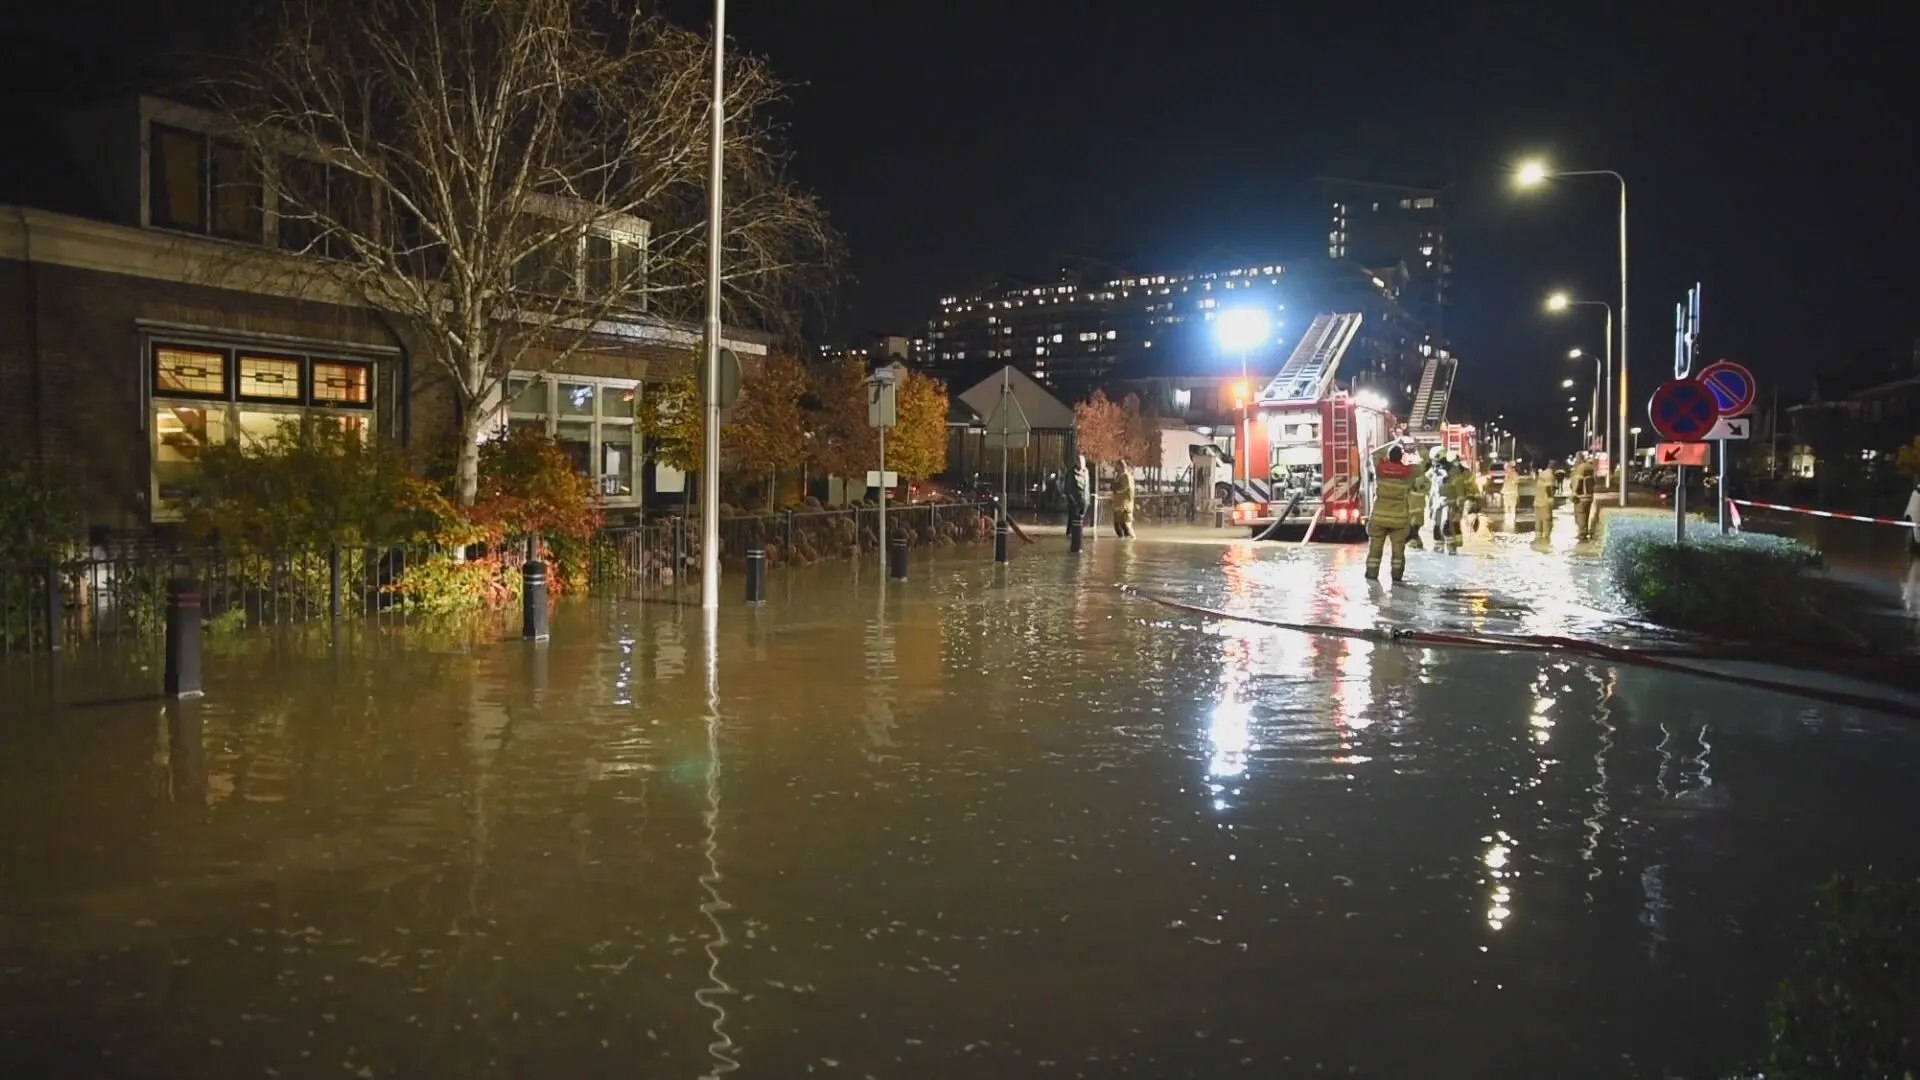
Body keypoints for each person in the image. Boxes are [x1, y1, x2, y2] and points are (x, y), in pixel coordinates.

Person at [1365, 442, 1416, 582]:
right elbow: (1424, 463)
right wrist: (1414, 448)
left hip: (1379, 518)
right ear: (1401, 457)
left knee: (1375, 549)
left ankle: (1371, 575)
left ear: (1388, 456)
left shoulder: (1381, 469)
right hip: (1399, 520)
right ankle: (1397, 577)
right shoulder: (1408, 472)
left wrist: (1393, 442)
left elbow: (1375, 454)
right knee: (1398, 551)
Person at [1406, 442, 1432, 550]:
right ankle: (1416, 544)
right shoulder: (1423, 478)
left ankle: (1415, 545)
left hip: (1412, 507)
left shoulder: (1418, 476)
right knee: (1414, 529)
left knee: (1412, 529)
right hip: (1417, 507)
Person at [1569, 453, 1597, 542]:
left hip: (1581, 496)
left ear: (1579, 458)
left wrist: (1574, 493)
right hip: (1589, 496)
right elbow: (1594, 481)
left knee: (1580, 516)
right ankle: (1584, 531)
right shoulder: (1590, 467)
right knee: (1586, 515)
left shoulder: (1580, 468)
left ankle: (1582, 535)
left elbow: (1578, 480)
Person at [1532, 459, 1558, 542]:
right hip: (1545, 502)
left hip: (1537, 502)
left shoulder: (1542, 473)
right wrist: (1551, 499)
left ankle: (1538, 540)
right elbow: (1549, 488)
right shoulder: (1550, 475)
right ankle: (1546, 540)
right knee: (1547, 522)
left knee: (1538, 522)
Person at [1112, 459, 1136, 538]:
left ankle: (1130, 541)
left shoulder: (1127, 476)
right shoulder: (1118, 476)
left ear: (1121, 466)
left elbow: (1123, 488)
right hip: (1118, 505)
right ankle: (1122, 542)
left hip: (1125, 505)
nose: (1115, 468)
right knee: (1117, 525)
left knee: (1125, 525)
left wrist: (1115, 489)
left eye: (1116, 466)